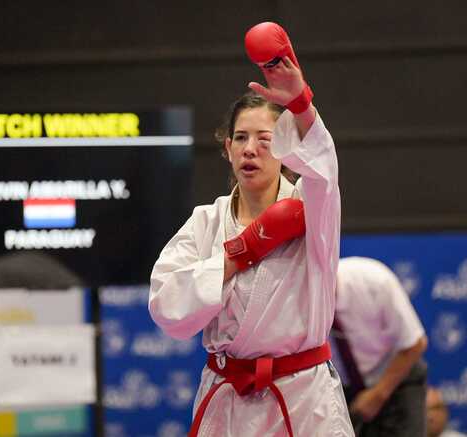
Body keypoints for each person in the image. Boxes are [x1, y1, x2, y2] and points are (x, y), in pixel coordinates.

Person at [149, 22, 353, 437]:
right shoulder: (206, 221)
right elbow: (167, 309)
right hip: (227, 400)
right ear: (226, 149)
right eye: (239, 138)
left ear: (284, 147)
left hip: (302, 400)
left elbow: (324, 170)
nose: (250, 148)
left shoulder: (312, 210)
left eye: (264, 138)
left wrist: (300, 103)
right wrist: (238, 252)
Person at [331, 256, 429, 436]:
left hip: (396, 377)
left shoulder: (375, 281)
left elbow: (415, 344)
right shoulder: (298, 299)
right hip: (344, 388)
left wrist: (378, 394)